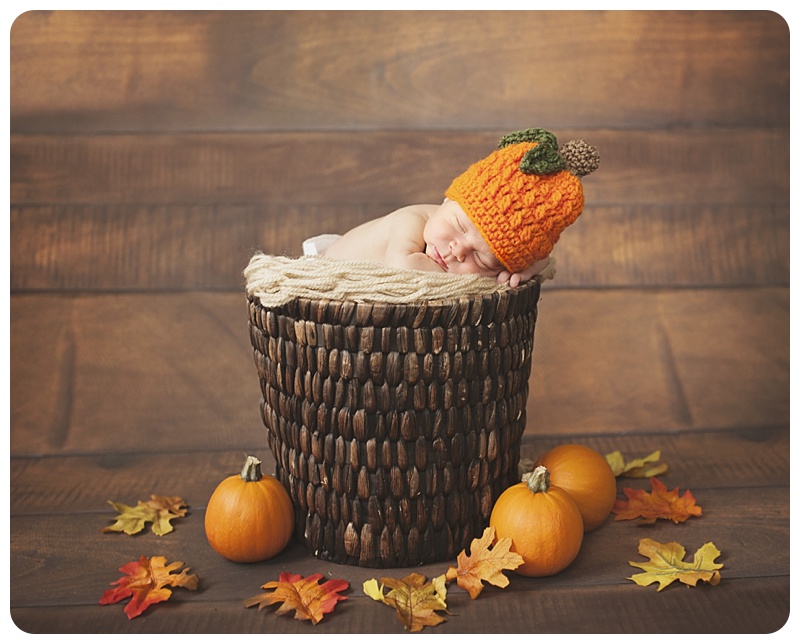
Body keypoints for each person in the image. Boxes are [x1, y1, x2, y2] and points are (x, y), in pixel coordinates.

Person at [306, 128, 599, 288]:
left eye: (481, 258)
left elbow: (537, 259)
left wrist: (529, 268)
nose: (458, 250)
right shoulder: (412, 221)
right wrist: (488, 278)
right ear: (448, 200)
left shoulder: (455, 229)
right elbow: (402, 273)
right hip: (320, 272)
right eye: (458, 226)